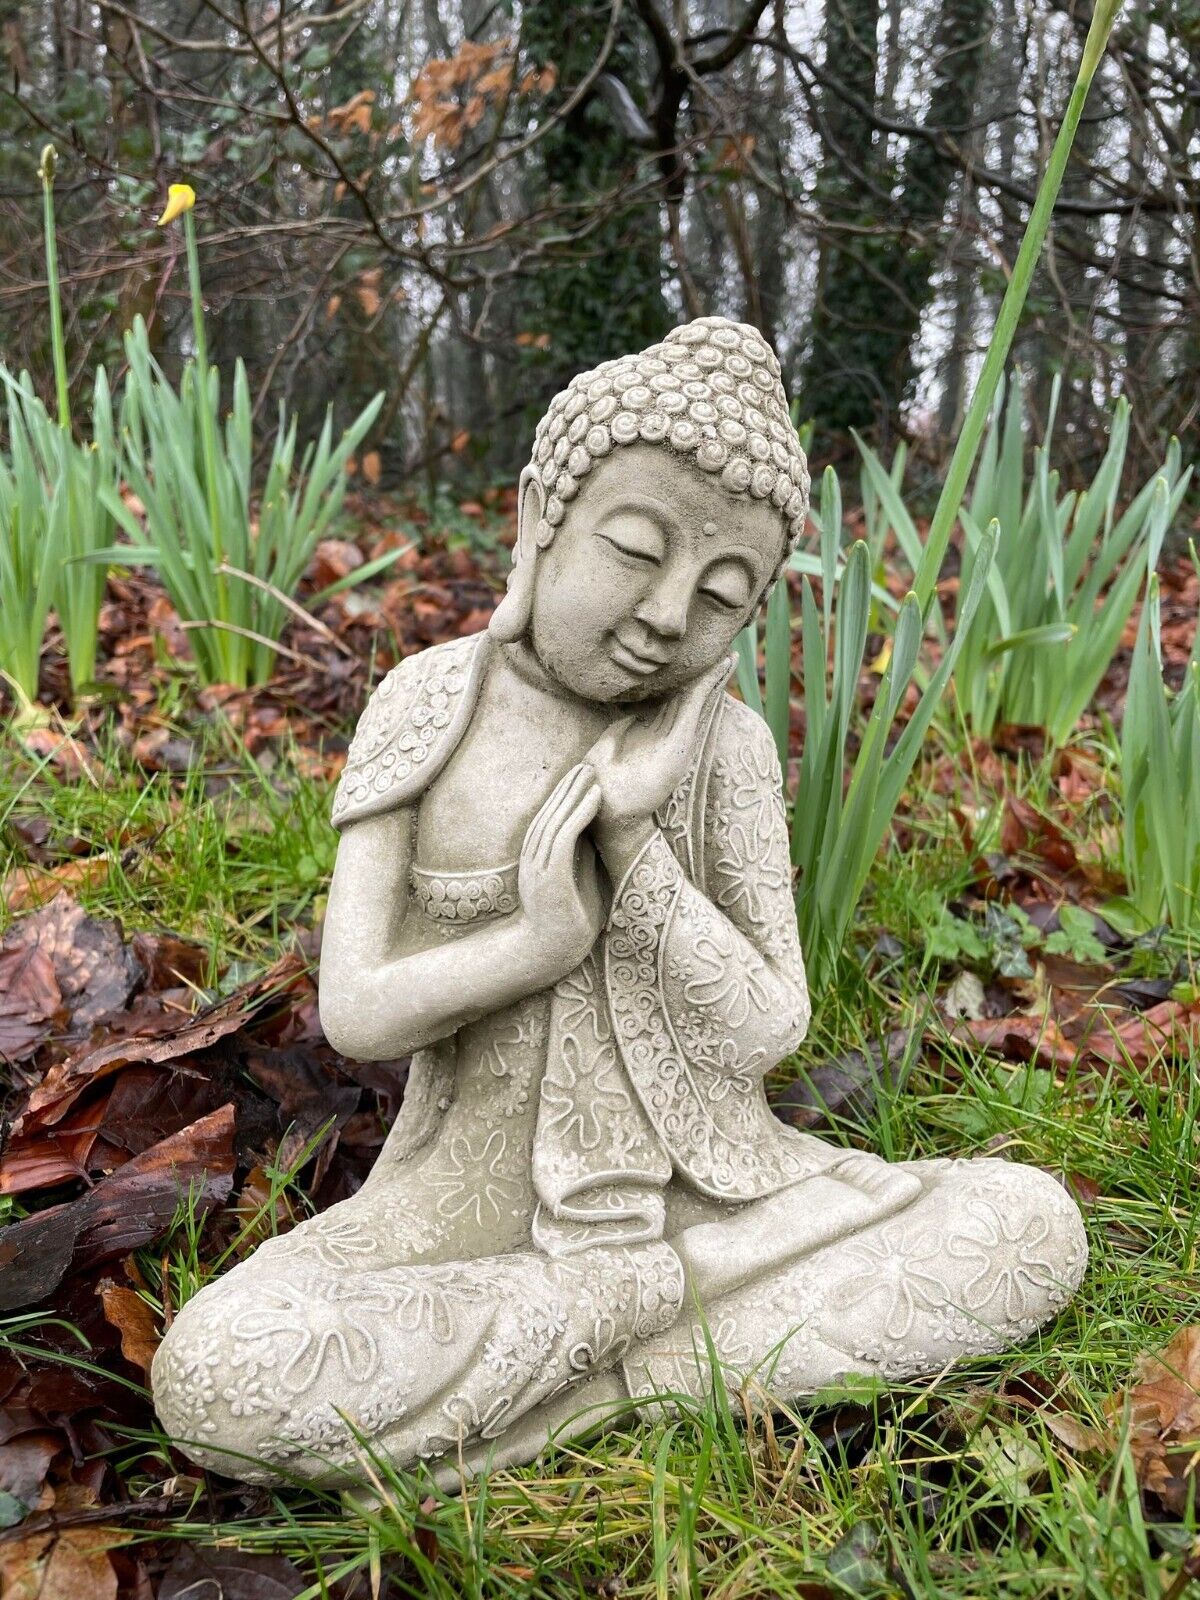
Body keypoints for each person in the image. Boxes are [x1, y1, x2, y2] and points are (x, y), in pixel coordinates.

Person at [152, 318, 1086, 1488]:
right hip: (467, 1216)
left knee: (1025, 1224)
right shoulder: (428, 705)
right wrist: (534, 942)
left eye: (721, 595)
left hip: (732, 1197)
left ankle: (586, 1376)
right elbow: (361, 1013)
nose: (663, 615)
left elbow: (766, 1028)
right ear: (542, 514)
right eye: (637, 550)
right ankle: (664, 1352)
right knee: (224, 1374)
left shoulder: (725, 749)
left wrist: (636, 840)